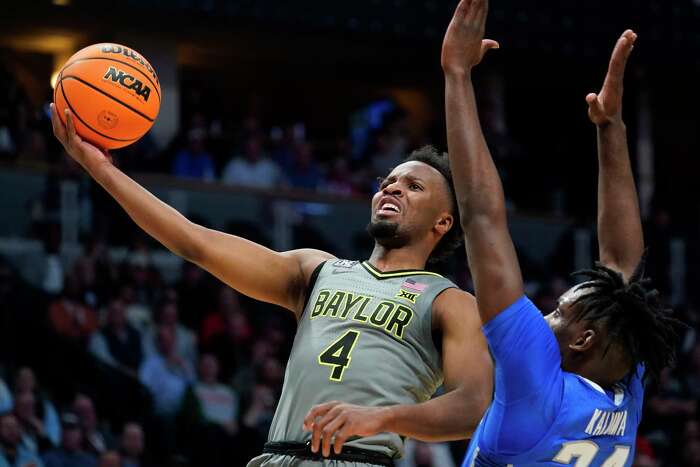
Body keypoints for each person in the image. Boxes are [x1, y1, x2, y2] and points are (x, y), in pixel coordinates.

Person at [50, 95, 493, 465]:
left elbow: (473, 408)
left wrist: (384, 419)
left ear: (442, 222)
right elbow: (194, 242)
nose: (392, 188)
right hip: (276, 456)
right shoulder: (316, 270)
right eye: (388, 181)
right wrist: (101, 169)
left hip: (364, 458)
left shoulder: (449, 302)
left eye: (413, 187)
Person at [439, 0, 679, 465]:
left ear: (582, 340)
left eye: (557, 313)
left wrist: (456, 76)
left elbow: (483, 218)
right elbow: (622, 269)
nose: (544, 315)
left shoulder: (537, 387)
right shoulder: (623, 388)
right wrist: (610, 130)